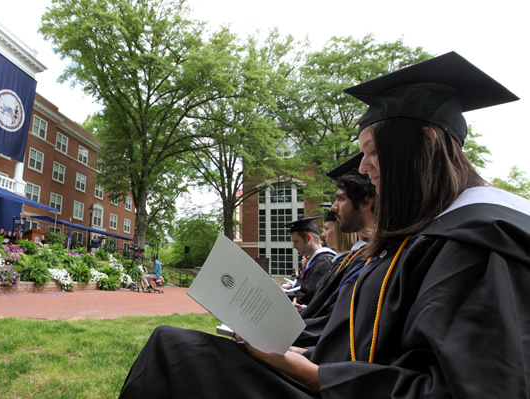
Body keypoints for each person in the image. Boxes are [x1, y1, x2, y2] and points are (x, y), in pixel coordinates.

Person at [119, 52, 530, 398]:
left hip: (338, 388)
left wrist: (309, 371)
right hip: (336, 380)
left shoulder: (481, 238)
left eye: (372, 151)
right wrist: (300, 353)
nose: (364, 168)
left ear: (423, 141)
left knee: (173, 350)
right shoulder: (428, 235)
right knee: (178, 346)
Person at [294, 165, 377, 347]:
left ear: (366, 202)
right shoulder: (350, 259)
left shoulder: (374, 261)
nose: (334, 207)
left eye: (340, 198)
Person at [283, 217, 335, 306]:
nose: (294, 246)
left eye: (296, 241)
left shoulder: (324, 262)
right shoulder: (315, 261)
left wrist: (283, 295)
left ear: (308, 238)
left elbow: (307, 296)